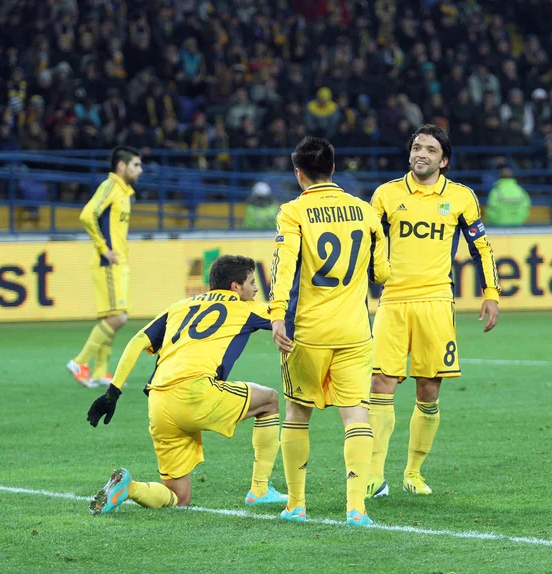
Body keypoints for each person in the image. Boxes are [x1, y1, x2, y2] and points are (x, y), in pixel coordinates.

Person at [87, 255, 287, 514]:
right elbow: (290, 318)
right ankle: (259, 490)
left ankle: (130, 488)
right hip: (196, 392)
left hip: (159, 401)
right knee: (269, 400)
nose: (256, 289)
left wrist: (112, 393)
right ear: (235, 287)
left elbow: (138, 341)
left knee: (178, 497)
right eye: (251, 282)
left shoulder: (179, 307)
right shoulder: (246, 308)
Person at [366, 124, 500, 499]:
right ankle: (374, 475)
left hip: (437, 301)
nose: (420, 154)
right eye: (416, 148)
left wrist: (491, 293)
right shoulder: (385, 195)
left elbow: (482, 249)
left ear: (444, 160)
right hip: (392, 301)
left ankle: (413, 472)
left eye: (429, 149)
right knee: (381, 384)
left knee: (428, 389)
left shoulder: (461, 198)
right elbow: (367, 247)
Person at [269, 137, 391, 526]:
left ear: (298, 173)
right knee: (356, 416)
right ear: (334, 169)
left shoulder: (293, 211)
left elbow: (283, 268)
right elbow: (383, 273)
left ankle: (297, 504)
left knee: (297, 412)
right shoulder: (364, 210)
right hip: (356, 331)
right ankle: (356, 507)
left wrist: (276, 316)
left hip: (308, 332)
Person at [66, 146, 142, 388]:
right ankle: (79, 362)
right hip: (108, 263)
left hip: (119, 263)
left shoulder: (124, 192)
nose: (140, 170)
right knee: (119, 317)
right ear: (122, 166)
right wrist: (103, 248)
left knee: (113, 317)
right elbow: (87, 215)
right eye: (136, 165)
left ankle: (100, 371)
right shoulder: (110, 186)